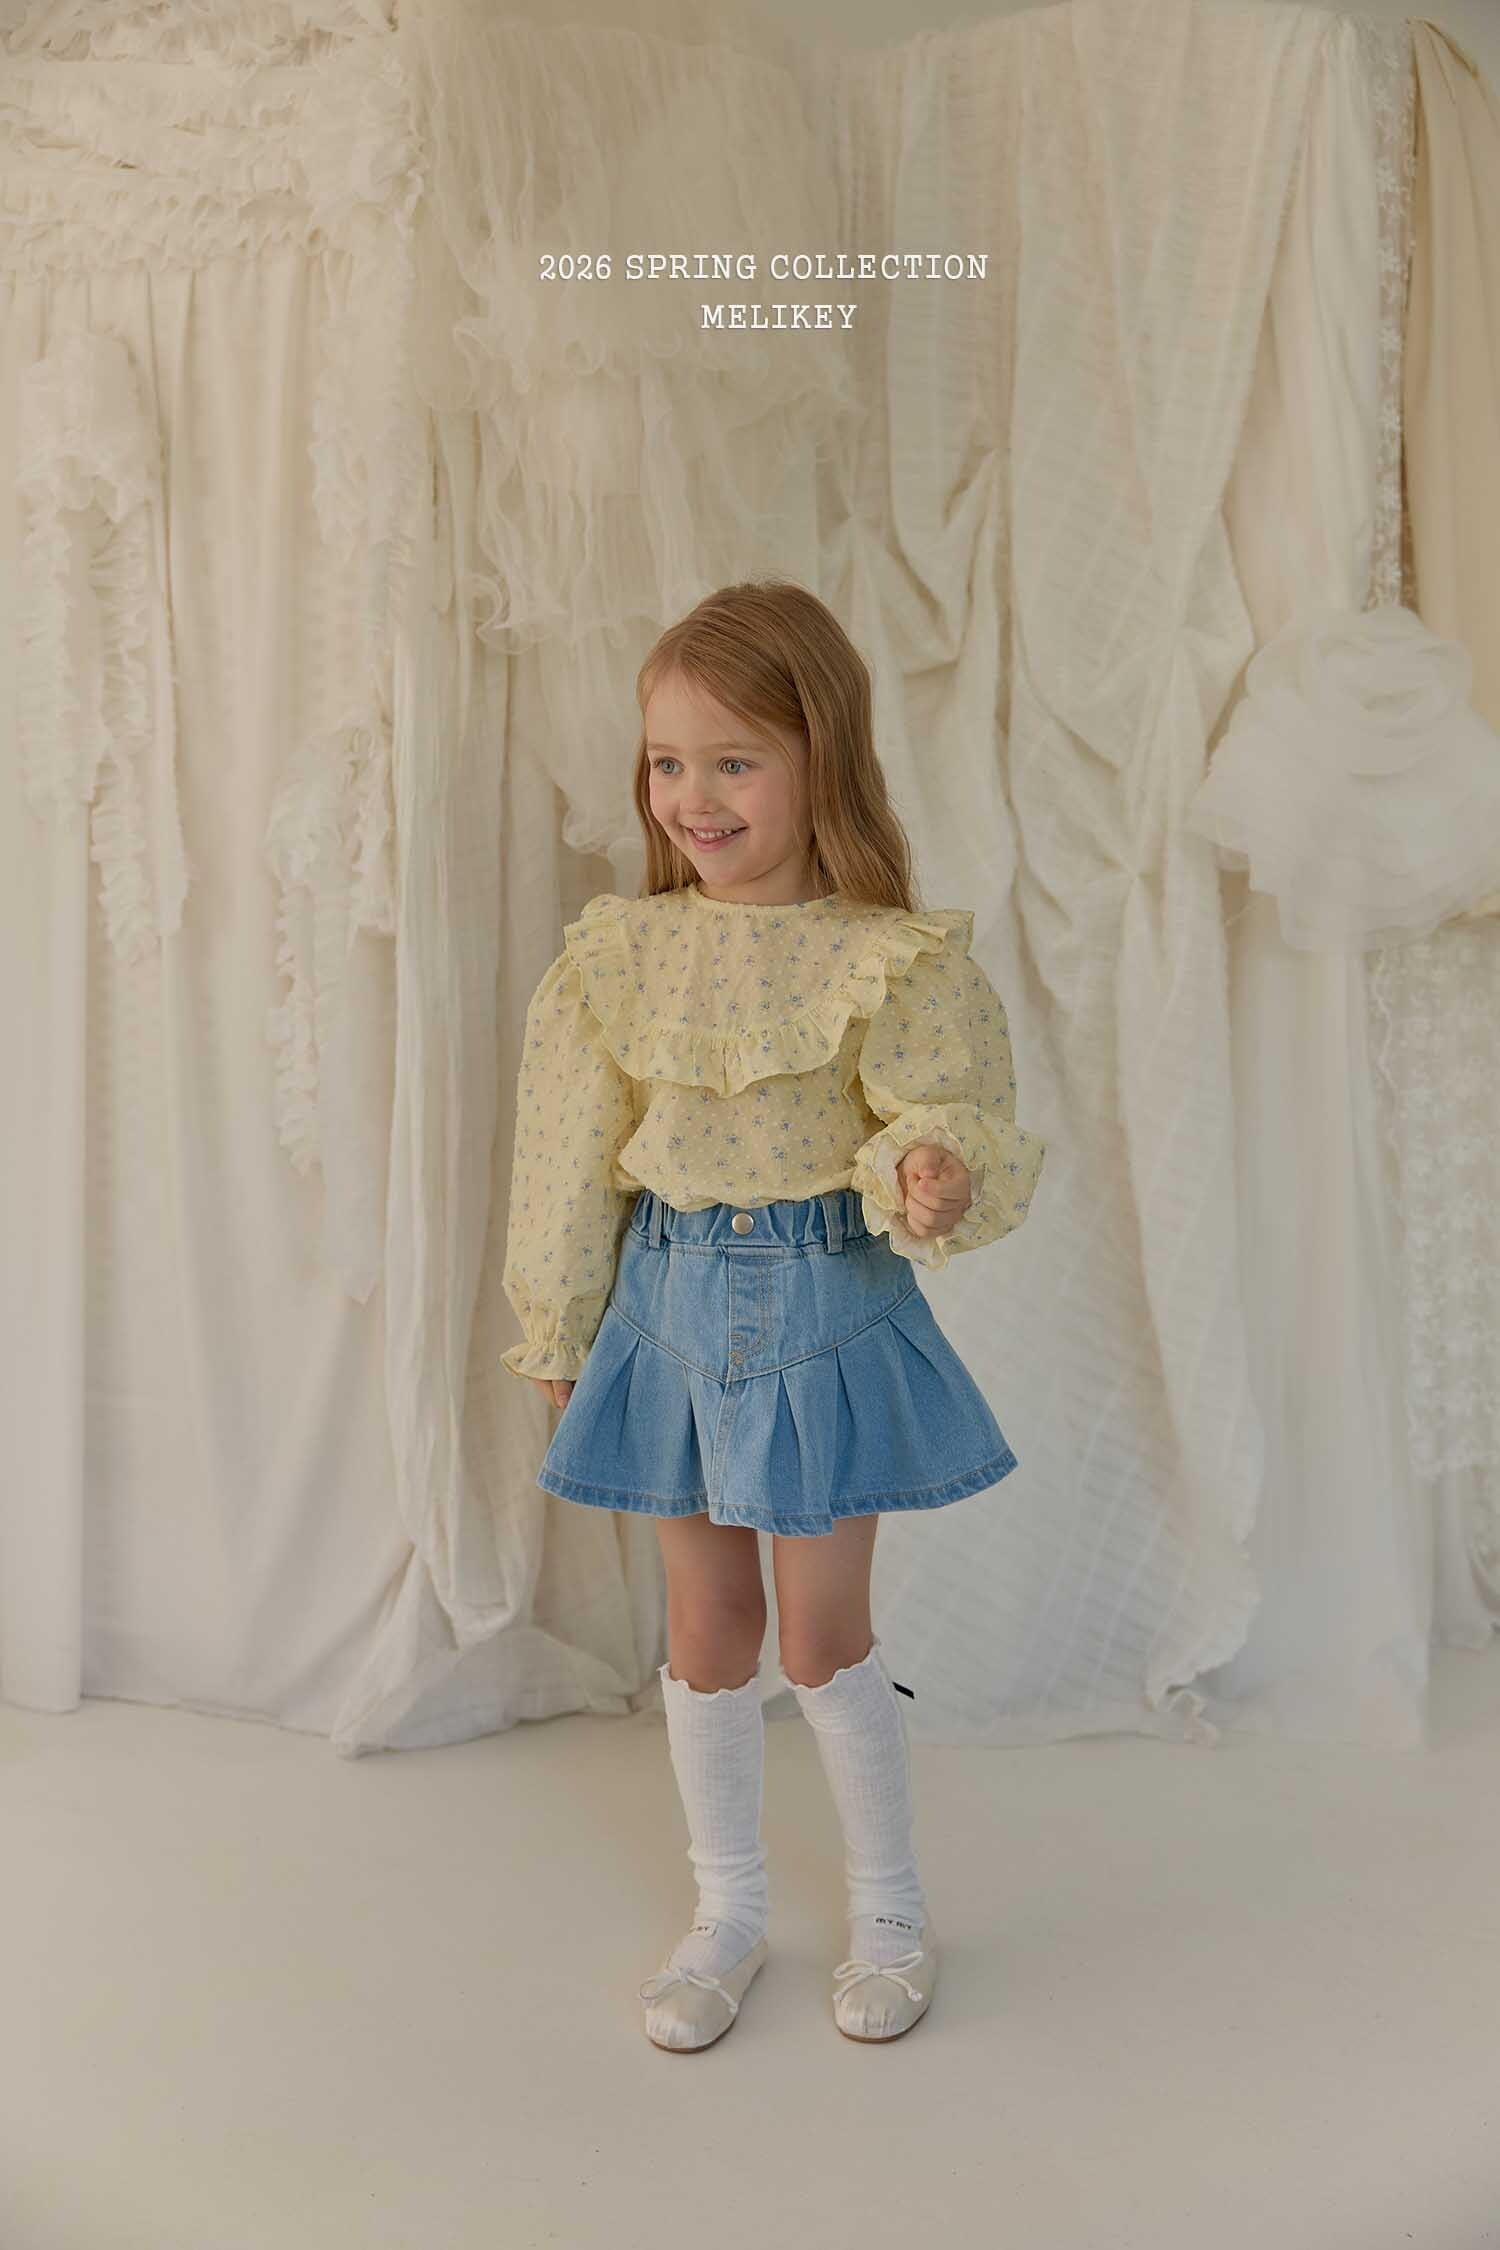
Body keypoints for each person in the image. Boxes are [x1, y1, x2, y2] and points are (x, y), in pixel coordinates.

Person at [500, 579, 1046, 2054]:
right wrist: (560, 1329)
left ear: (822, 758)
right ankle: (728, 1908)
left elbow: (946, 1107)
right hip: (667, 1308)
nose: (694, 797)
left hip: (824, 1307)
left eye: (733, 760)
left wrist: (931, 1168)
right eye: (667, 762)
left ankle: (890, 1909)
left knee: (819, 1632)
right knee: (706, 1626)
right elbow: (568, 1153)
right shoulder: (622, 954)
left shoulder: (881, 952)